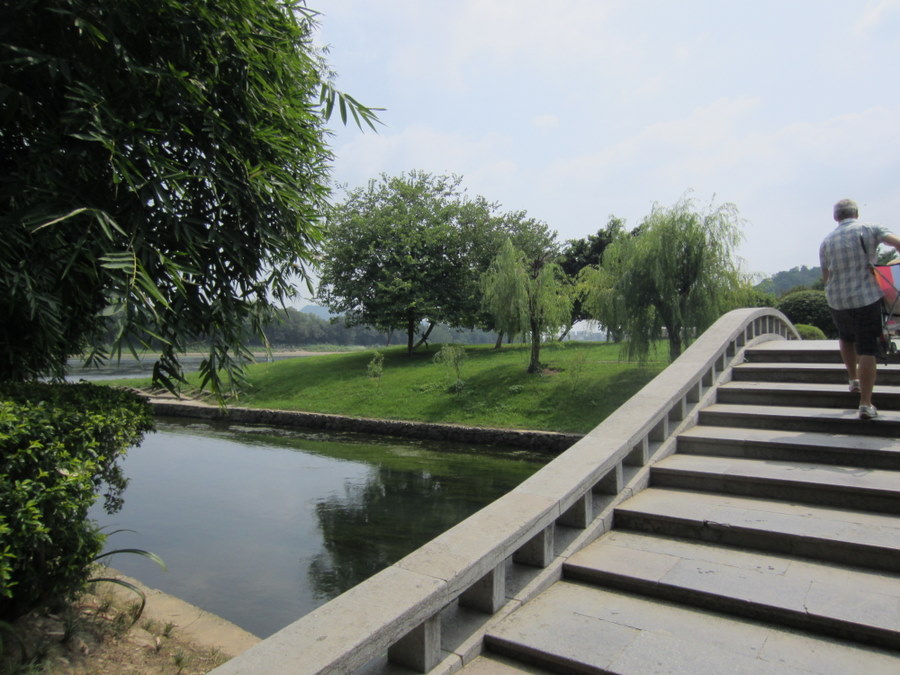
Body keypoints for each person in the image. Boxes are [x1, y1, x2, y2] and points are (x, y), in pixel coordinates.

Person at [819, 199, 900, 419]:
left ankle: (853, 379)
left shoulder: (826, 241)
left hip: (837, 300)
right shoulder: (869, 228)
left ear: (836, 217)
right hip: (865, 298)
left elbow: (826, 276)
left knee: (846, 337)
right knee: (867, 348)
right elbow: (896, 243)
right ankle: (865, 403)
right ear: (856, 213)